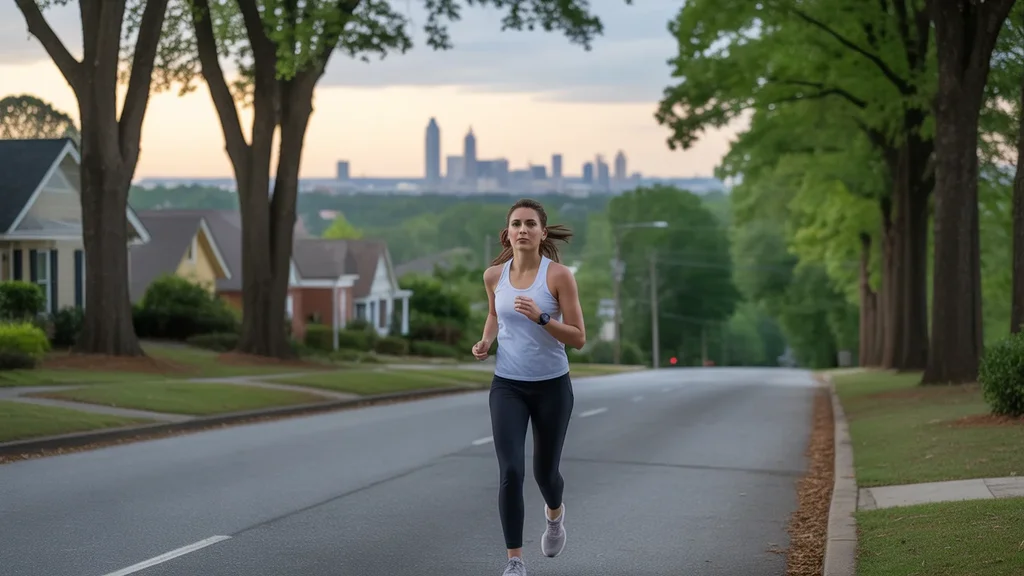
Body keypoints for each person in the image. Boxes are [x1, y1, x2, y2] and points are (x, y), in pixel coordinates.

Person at [472, 198, 586, 576]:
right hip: (508, 386)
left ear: (541, 233)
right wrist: (486, 342)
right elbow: (493, 313)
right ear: (508, 233)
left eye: (531, 224)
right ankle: (515, 562)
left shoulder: (558, 277)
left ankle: (555, 516)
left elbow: (578, 338)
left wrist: (541, 318)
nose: (523, 230)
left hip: (552, 386)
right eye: (517, 224)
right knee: (511, 472)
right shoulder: (494, 276)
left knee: (545, 474)